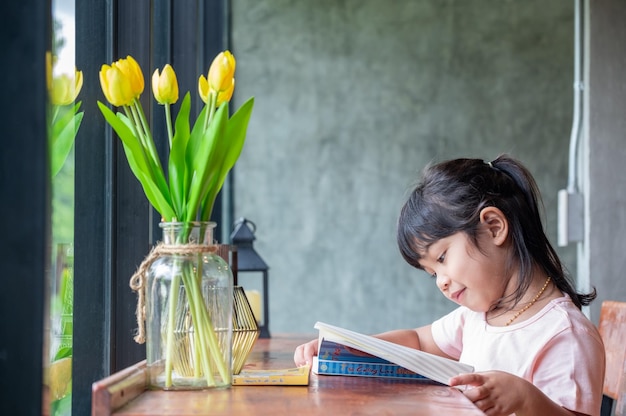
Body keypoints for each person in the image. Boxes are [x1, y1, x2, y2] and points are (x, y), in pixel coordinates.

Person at [294, 155, 605, 416]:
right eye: (432, 273)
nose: (441, 282)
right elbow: (417, 340)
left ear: (494, 227)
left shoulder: (564, 334)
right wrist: (349, 348)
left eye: (442, 257)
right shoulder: (478, 316)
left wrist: (526, 398)